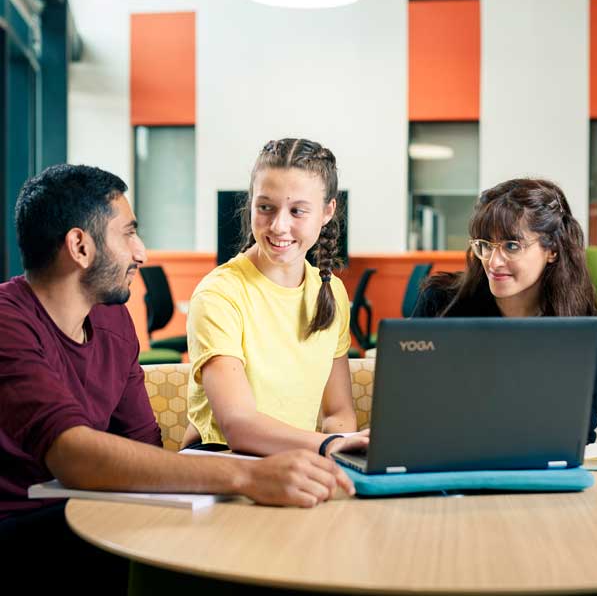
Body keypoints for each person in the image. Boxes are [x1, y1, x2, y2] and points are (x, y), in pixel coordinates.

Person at [0, 164, 355, 594]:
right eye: (128, 234)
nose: (141, 252)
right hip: (20, 525)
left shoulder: (113, 320)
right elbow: (73, 456)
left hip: (93, 513)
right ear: (80, 246)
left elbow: (143, 450)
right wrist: (246, 478)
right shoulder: (8, 322)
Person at [183, 138, 369, 457]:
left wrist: (344, 456)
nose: (280, 226)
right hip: (220, 461)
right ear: (251, 204)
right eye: (265, 207)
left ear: (327, 212)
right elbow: (239, 426)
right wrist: (330, 445)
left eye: (298, 211)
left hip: (296, 459)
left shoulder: (332, 292)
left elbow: (338, 413)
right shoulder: (219, 293)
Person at [413, 178, 597, 443]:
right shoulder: (440, 303)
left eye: (512, 246)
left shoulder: (581, 323)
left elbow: (581, 431)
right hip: (446, 456)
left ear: (553, 250)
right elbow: (408, 403)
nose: (493, 261)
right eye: (485, 245)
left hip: (540, 469)